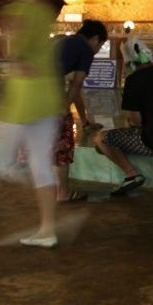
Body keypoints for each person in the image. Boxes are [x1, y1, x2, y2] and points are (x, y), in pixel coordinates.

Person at [0, 0, 64, 247]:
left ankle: (21, 186)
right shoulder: (46, 11)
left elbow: (12, 49)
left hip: (24, 98)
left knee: (0, 163)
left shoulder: (17, 12)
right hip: (48, 94)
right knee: (40, 164)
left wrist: (8, 47)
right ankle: (48, 229)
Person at [94, 42, 153, 197]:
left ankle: (131, 175)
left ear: (129, 63)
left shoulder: (133, 80)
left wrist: (129, 123)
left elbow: (136, 121)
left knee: (101, 138)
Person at [54, 19, 108, 202]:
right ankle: (62, 193)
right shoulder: (85, 50)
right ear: (94, 39)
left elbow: (73, 85)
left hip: (34, 95)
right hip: (50, 96)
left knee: (47, 144)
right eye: (100, 45)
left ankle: (48, 190)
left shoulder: (63, 42)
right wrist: (63, 109)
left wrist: (84, 121)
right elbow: (77, 83)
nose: (98, 49)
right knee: (62, 146)